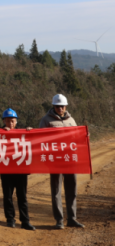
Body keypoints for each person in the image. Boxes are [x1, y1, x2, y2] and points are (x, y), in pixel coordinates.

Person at [39, 94, 84, 229]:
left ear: (66, 106)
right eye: (58, 106)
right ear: (54, 106)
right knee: (56, 191)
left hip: (70, 160)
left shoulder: (71, 120)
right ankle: (59, 220)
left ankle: (72, 218)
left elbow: (77, 138)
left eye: (63, 106)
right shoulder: (46, 120)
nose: (60, 108)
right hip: (55, 161)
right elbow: (40, 140)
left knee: (72, 189)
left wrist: (85, 135)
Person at [0, 108, 35, 231]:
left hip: (21, 170)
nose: (10, 124)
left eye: (13, 121)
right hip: (6, 170)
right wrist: (1, 133)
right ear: (3, 121)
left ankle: (25, 221)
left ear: (16, 122)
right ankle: (10, 219)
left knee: (22, 196)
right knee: (8, 196)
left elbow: (34, 142)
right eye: (8, 121)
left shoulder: (24, 133)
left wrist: (31, 132)